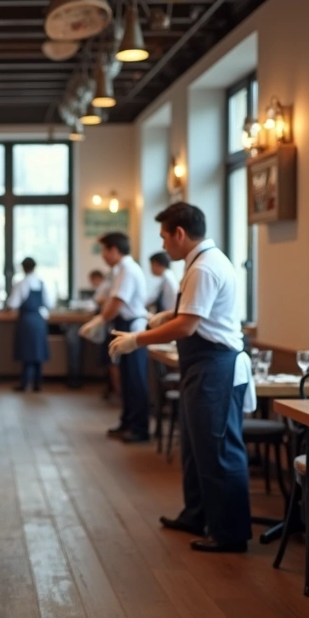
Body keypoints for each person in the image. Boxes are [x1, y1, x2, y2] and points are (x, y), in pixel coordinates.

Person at [108, 202, 253, 553]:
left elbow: (187, 326)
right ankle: (196, 515)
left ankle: (229, 533)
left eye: (164, 237)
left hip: (215, 366)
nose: (163, 244)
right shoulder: (200, 262)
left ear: (180, 233)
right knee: (195, 446)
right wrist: (165, 317)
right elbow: (191, 314)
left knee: (218, 450)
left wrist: (138, 339)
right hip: (201, 364)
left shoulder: (204, 267)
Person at [80, 233, 151, 443]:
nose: (102, 255)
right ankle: (127, 422)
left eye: (104, 250)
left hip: (132, 327)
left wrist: (100, 320)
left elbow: (117, 302)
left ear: (114, 250)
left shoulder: (128, 270)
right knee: (127, 379)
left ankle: (139, 428)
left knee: (135, 379)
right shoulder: (119, 270)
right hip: (123, 324)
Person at [7, 257, 54, 392]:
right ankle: (37, 383)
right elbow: (49, 304)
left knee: (26, 353)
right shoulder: (41, 283)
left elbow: (13, 304)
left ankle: (24, 382)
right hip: (39, 320)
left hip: (26, 320)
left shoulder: (21, 283)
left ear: (23, 268)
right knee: (38, 352)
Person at [88, 268, 120, 401]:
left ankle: (118, 392)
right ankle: (113, 390)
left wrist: (100, 319)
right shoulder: (109, 286)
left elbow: (103, 303)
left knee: (113, 362)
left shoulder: (109, 286)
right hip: (109, 325)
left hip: (113, 326)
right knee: (109, 362)